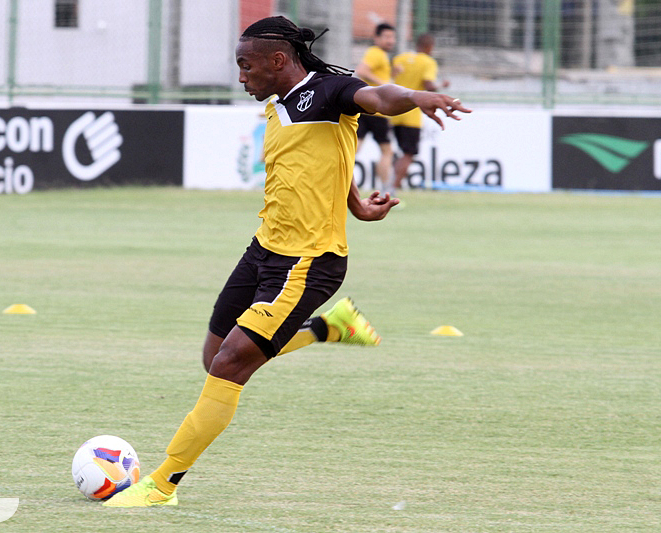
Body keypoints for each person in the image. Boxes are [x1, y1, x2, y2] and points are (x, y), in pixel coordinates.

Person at [104, 16, 469, 508]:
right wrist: (357, 205)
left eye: (245, 65)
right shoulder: (278, 103)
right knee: (215, 358)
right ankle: (327, 329)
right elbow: (325, 159)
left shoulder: (330, 91)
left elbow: (381, 98)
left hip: (308, 261)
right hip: (263, 251)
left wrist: (416, 96)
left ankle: (162, 484)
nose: (241, 76)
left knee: (231, 363)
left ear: (278, 60)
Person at [390, 33, 450, 191]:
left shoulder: (400, 58)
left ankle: (393, 184)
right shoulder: (428, 62)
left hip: (394, 111)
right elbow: (428, 84)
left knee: (398, 151)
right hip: (411, 114)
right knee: (408, 153)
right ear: (430, 47)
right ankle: (392, 188)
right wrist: (441, 85)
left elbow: (391, 78)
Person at [354, 22, 398, 191]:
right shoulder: (376, 53)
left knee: (353, 149)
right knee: (387, 151)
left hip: (366, 108)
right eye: (386, 36)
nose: (390, 40)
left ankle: (335, 183)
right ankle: (386, 190)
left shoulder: (382, 56)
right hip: (377, 111)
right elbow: (362, 71)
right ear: (376, 38)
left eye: (392, 37)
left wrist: (393, 75)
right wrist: (385, 86)